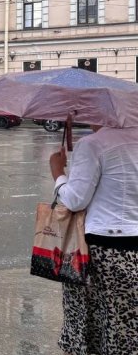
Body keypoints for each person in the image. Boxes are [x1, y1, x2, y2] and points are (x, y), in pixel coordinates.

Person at [49, 126, 138, 355]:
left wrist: (58, 173)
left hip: (101, 249)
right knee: (126, 327)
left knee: (90, 321)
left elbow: (75, 200)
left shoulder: (94, 144)